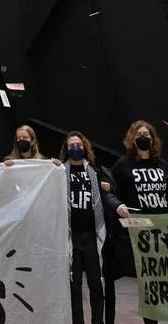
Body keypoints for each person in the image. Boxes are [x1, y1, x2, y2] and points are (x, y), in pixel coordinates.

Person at [105, 120, 168, 324]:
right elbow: (112, 191)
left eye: (147, 134)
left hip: (166, 228)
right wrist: (117, 204)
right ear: (132, 140)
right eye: (139, 135)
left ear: (153, 140)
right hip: (141, 230)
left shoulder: (162, 164)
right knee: (150, 284)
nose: (143, 137)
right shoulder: (122, 165)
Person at [61, 132, 105, 324]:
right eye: (71, 145)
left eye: (78, 144)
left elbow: (107, 193)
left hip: (92, 237)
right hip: (72, 237)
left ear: (84, 147)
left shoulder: (95, 171)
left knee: (96, 286)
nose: (75, 148)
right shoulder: (60, 173)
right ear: (66, 149)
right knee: (74, 287)